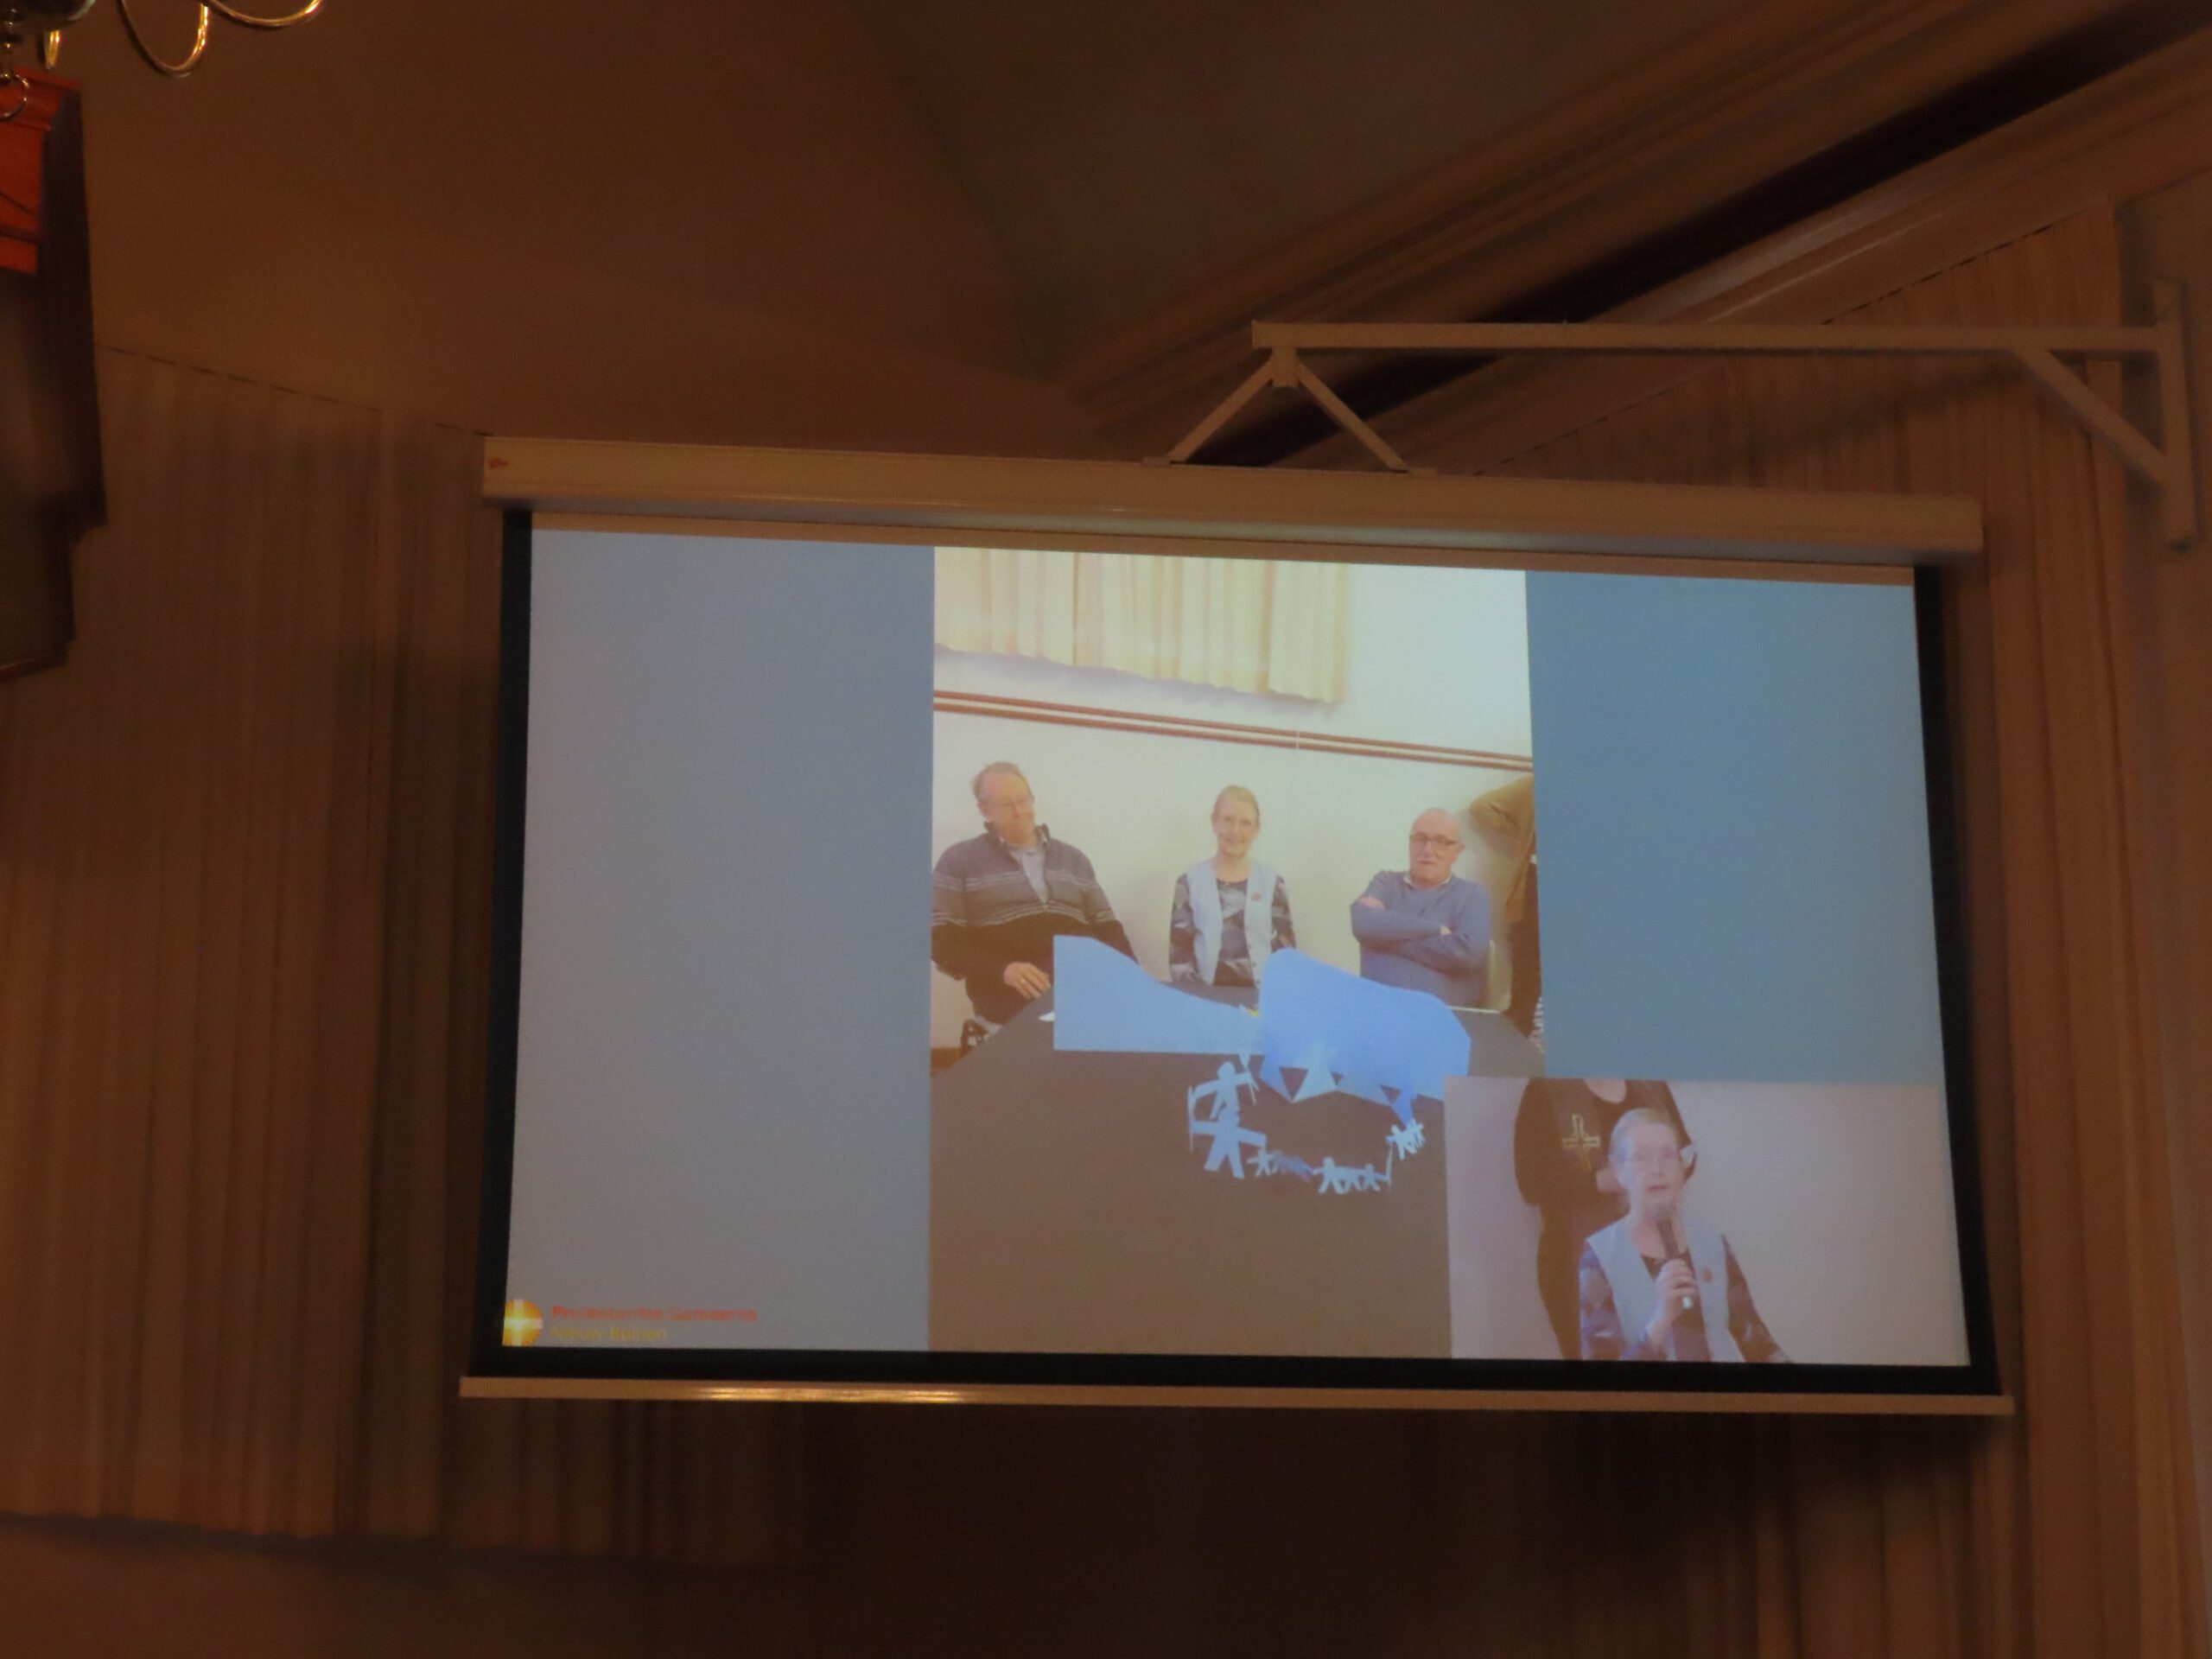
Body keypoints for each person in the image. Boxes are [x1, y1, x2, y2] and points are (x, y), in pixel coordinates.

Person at [931, 762, 1134, 1027]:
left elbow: (1108, 929)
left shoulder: (1074, 859)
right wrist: (1003, 969)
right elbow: (941, 941)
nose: (1019, 811)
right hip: (1012, 998)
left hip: (1083, 989)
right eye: (1006, 804)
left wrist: (1132, 981)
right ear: (984, 809)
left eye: (1023, 800)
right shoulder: (959, 860)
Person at [1578, 1109, 1784, 1363]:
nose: (1657, 1169)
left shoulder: (1712, 1244)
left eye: (1667, 1156)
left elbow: (1757, 1341)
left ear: (1681, 1167)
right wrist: (1661, 1320)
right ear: (1619, 1171)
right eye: (1641, 1157)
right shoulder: (1600, 1258)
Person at [1512, 1078, 1688, 1360]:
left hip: (1657, 1253)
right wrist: (1603, 1181)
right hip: (1575, 1260)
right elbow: (1532, 1184)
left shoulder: (1651, 1086)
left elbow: (1685, 1155)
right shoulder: (1546, 1090)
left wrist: (1662, 1171)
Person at [1349, 809, 1491, 1007]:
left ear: (1457, 851)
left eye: (1441, 841)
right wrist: (1434, 929)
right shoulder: (1386, 881)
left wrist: (1383, 938)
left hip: (1442, 1014)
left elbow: (1467, 953)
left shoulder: (1473, 894)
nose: (1427, 850)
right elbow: (1363, 923)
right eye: (1420, 839)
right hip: (1376, 1008)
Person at [1167, 785, 1296, 989]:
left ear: (1256, 829)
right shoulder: (1189, 882)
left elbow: (1286, 955)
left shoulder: (1273, 883)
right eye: (1228, 820)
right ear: (1214, 822)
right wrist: (1201, 999)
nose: (1235, 831)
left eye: (1245, 823)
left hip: (1261, 998)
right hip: (1205, 999)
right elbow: (1179, 958)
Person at [1469, 774, 1539, 1036]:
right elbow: (1482, 807)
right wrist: (1524, 835)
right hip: (1536, 885)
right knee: (1528, 960)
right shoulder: (1536, 784)